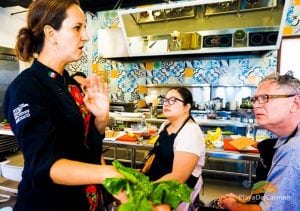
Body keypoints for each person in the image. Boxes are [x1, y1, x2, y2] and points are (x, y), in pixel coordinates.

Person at [2, 0, 125, 210]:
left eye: (84, 27)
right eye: (77, 27)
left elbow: (86, 149)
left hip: (82, 201)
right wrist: (108, 173)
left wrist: (101, 119)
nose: (85, 36)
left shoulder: (69, 83)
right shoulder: (26, 88)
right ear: (51, 34)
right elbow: (45, 165)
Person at [219, 73, 300, 211]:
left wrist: (232, 205)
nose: (256, 105)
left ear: (295, 103)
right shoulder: (284, 140)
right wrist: (245, 201)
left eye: (265, 98)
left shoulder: (293, 150)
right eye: (255, 99)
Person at [144, 87, 206, 206]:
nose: (166, 103)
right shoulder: (166, 125)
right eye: (165, 100)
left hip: (176, 190)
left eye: (173, 100)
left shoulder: (190, 132)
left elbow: (178, 177)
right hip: (158, 181)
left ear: (186, 107)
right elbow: (155, 155)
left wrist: (145, 190)